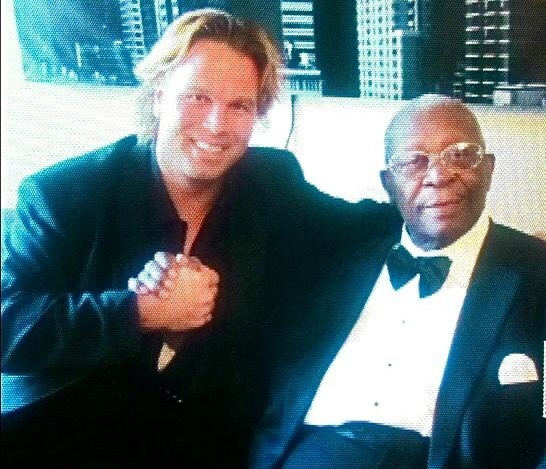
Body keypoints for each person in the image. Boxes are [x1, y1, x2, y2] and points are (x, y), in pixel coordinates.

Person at [1, 8, 397, 468]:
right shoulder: (65, 193)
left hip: (210, 443)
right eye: (197, 97)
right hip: (69, 434)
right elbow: (8, 324)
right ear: (158, 97)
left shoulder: (272, 184)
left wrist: (425, 184)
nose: (216, 125)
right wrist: (141, 311)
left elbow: (358, 228)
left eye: (239, 106)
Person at [249, 94, 546, 469]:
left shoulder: (536, 271)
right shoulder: (335, 263)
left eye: (460, 155)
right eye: (413, 162)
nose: (438, 177)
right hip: (308, 452)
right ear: (388, 184)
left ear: (488, 169)